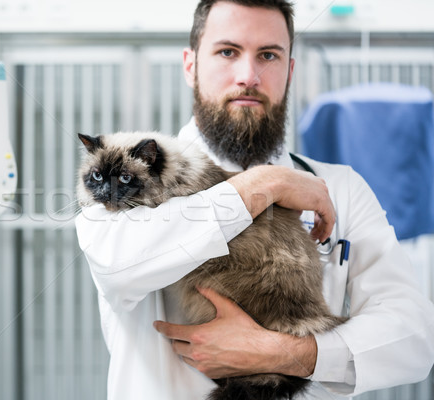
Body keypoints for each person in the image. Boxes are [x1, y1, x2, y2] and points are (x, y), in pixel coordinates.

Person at [74, 0, 434, 399]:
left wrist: (289, 354)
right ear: (190, 64)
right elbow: (118, 264)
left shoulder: (341, 187)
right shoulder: (113, 189)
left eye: (268, 55)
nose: (249, 76)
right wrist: (266, 185)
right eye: (228, 52)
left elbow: (415, 339)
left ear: (290, 70)